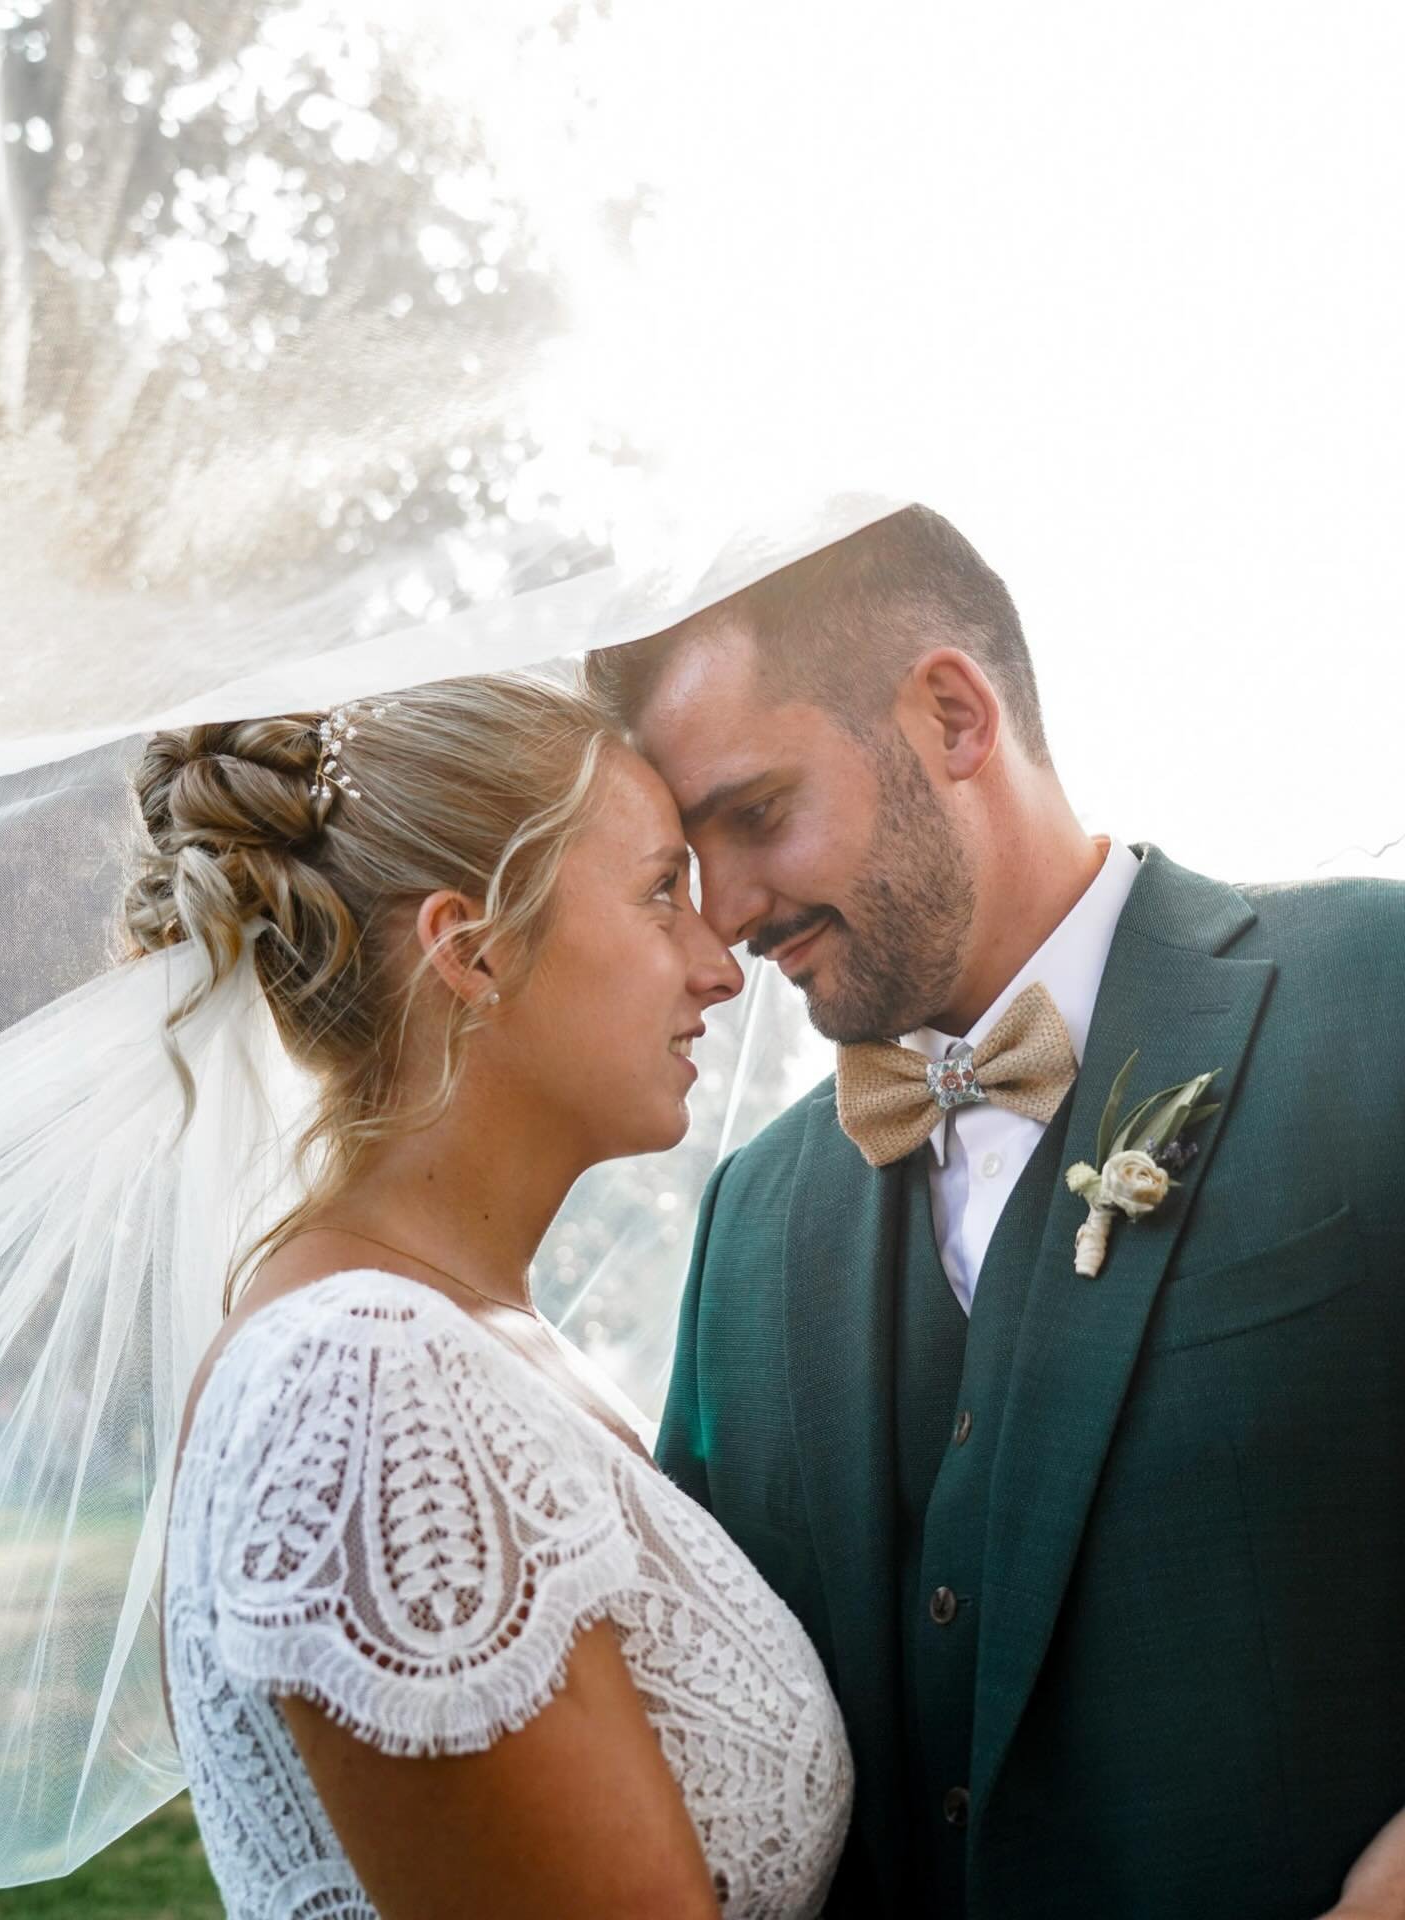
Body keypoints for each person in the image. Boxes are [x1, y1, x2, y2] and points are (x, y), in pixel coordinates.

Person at [583, 505, 1405, 1920]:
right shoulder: (753, 1219)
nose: (722, 914)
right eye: (683, 859)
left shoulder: (1376, 996)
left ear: (953, 715)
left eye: (757, 814)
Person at [148, 676, 852, 1918]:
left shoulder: (474, 1340)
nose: (718, 967)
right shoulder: (364, 1375)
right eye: (656, 893)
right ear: (471, 953)